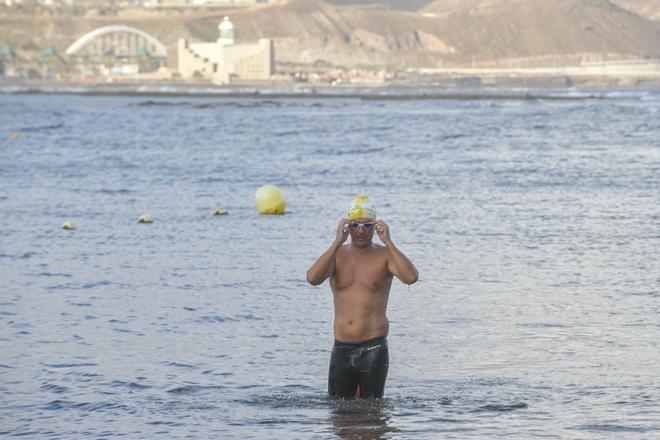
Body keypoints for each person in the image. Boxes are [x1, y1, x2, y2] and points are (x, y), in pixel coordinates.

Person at [306, 195, 418, 399]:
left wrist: (389, 242)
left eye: (367, 225)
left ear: (375, 227)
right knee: (338, 414)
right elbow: (312, 278)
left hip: (373, 347)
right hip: (341, 347)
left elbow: (411, 277)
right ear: (347, 226)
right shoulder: (337, 256)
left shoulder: (384, 256)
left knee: (373, 415)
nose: (360, 231)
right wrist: (337, 242)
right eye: (355, 225)